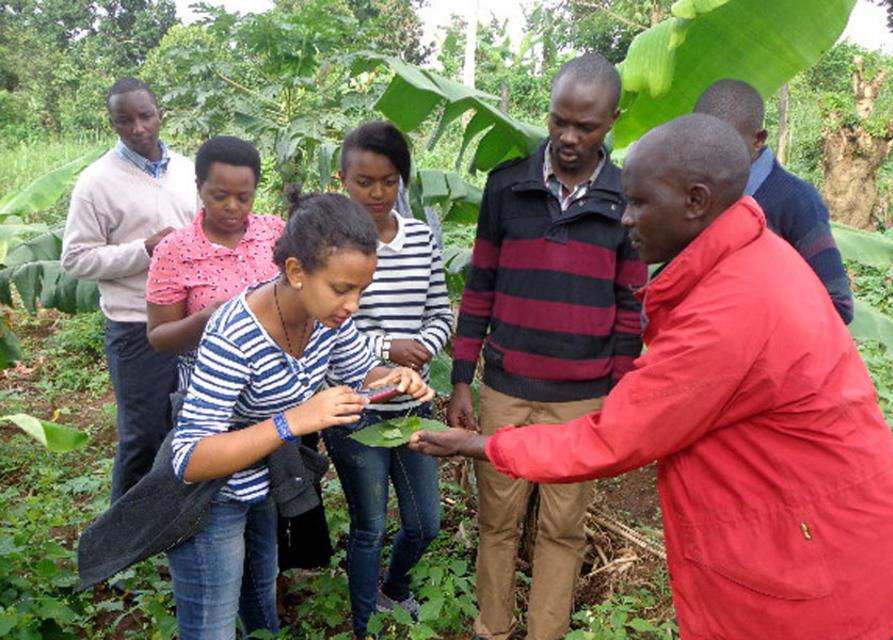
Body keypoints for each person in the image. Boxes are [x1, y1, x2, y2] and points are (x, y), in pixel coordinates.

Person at [411, 114, 893, 640]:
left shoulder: (730, 309)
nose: (625, 218)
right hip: (832, 542)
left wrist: (480, 445)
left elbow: (614, 437)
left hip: (832, 576)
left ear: (696, 201)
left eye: (641, 202)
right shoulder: (756, 261)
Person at [165, 191, 435, 639]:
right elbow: (189, 458)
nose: (353, 305)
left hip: (264, 479)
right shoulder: (235, 334)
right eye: (342, 289)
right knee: (212, 625)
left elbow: (362, 373)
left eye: (362, 290)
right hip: (210, 498)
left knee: (261, 597)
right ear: (295, 272)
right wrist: (294, 421)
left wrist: (397, 378)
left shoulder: (330, 321)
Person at [447, 54, 646, 640]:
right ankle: (492, 627)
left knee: (563, 528)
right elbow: (480, 285)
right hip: (506, 389)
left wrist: (617, 396)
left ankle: (546, 633)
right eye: (559, 120)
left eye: (584, 127)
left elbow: (630, 304)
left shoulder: (626, 196)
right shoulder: (507, 185)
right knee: (498, 521)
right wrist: (463, 376)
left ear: (611, 120)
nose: (566, 137)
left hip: (580, 402)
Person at [328, 121, 453, 640]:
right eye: (364, 181)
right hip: (353, 407)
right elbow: (331, 319)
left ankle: (394, 589)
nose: (377, 193)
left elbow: (441, 311)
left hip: (413, 406)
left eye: (388, 180)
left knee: (426, 522)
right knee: (370, 526)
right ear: (343, 179)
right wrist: (387, 350)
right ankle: (364, 624)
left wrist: (425, 347)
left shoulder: (421, 238)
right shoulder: (330, 244)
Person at [61, 77, 197, 504]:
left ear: (161, 115)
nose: (137, 128)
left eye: (145, 116)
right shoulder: (96, 182)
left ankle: (174, 522)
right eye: (124, 121)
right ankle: (123, 545)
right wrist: (144, 250)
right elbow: (76, 259)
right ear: (113, 124)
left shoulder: (188, 170)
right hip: (135, 324)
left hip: (192, 320)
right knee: (142, 435)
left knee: (192, 424)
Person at [694, 78, 854, 323]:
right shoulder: (701, 194)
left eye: (726, 144)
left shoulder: (796, 200)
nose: (711, 155)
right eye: (702, 143)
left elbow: (838, 305)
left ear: (758, 139)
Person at [145, 135, 283, 387]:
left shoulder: (275, 232)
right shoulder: (174, 251)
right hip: (211, 389)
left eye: (244, 198)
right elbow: (158, 337)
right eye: (220, 196)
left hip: (279, 384)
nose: (232, 206)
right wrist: (205, 320)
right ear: (199, 187)